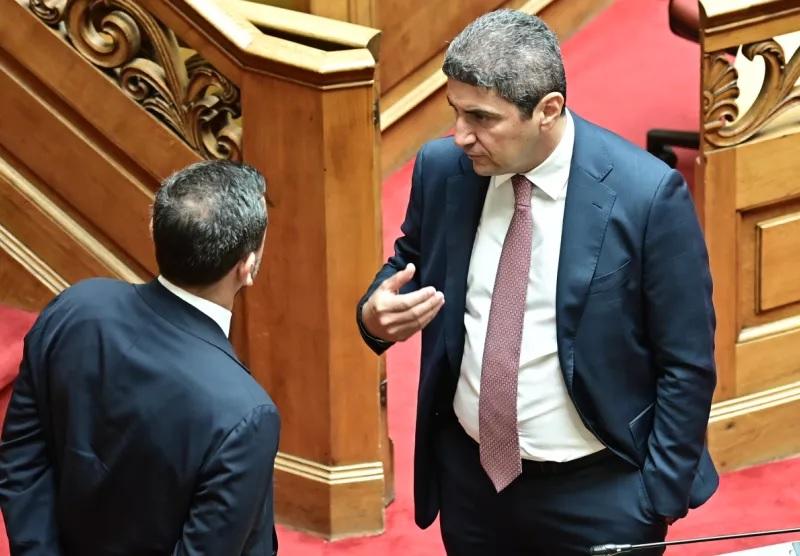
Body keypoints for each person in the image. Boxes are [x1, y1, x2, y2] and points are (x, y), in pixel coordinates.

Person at [357, 10, 718, 556]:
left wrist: (654, 499)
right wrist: (375, 314)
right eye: (455, 112)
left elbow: (686, 362)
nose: (461, 136)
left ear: (548, 110)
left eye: (481, 118)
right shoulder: (443, 169)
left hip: (599, 493)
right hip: (473, 483)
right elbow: (409, 260)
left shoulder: (647, 196)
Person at [0, 160, 280, 555]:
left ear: (153, 230)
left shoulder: (73, 308)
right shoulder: (246, 413)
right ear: (247, 268)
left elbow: (22, 459)